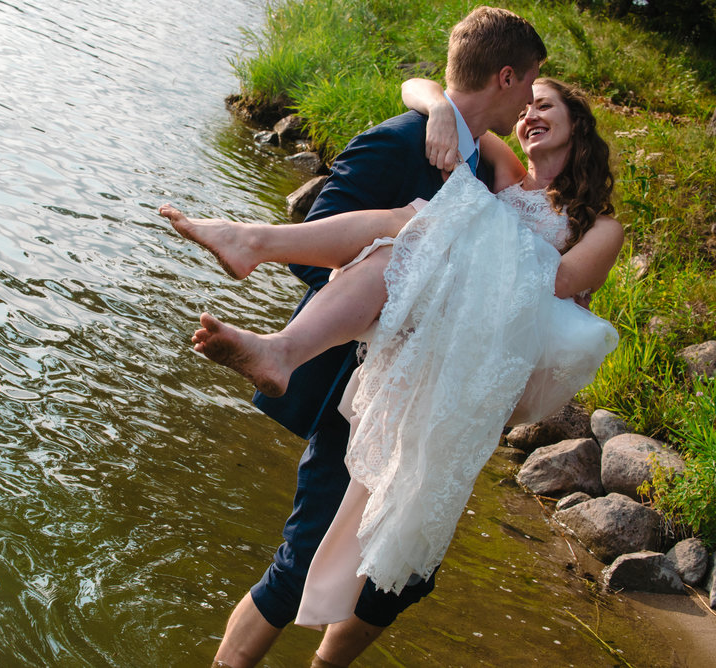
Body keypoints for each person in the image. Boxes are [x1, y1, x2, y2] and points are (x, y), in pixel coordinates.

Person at [161, 76, 622, 627]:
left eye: (544, 106)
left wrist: (466, 216)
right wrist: (439, 113)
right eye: (524, 108)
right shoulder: (503, 165)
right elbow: (422, 87)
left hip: (484, 358)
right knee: (406, 233)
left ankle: (257, 251)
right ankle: (268, 303)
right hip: (431, 333)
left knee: (420, 222)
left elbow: (562, 279)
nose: (528, 116)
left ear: (579, 125)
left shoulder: (601, 225)